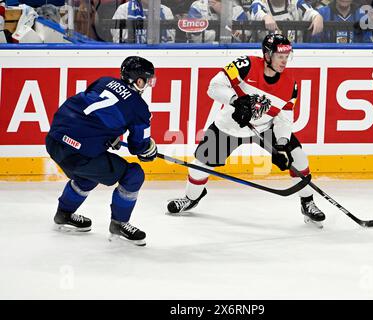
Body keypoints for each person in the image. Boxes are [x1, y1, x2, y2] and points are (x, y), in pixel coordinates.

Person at [167, 33, 326, 228]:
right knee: (199, 166)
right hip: (230, 127)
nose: (284, 62)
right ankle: (191, 198)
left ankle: (307, 202)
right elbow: (213, 87)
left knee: (298, 157)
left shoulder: (290, 84)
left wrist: (282, 143)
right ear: (267, 55)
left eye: (287, 56)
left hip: (265, 128)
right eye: (279, 56)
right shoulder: (246, 65)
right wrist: (235, 100)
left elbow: (284, 118)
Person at [45, 56, 158, 246]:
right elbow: (138, 147)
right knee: (134, 174)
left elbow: (88, 112)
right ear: (138, 80)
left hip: (54, 140)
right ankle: (119, 224)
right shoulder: (140, 109)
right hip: (79, 154)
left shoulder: (104, 81)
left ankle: (63, 214)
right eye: (147, 80)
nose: (147, 85)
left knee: (88, 175)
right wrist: (150, 150)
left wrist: (106, 135)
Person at [249, 0, 324, 42]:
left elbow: (309, 11)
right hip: (268, 53)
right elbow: (256, 11)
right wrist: (265, 17)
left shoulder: (296, 3)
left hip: (295, 52)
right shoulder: (260, 3)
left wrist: (317, 16)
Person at [111, 0, 175, 44]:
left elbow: (170, 41)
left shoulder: (166, 11)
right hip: (131, 53)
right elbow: (119, 39)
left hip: (158, 53)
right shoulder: (123, 9)